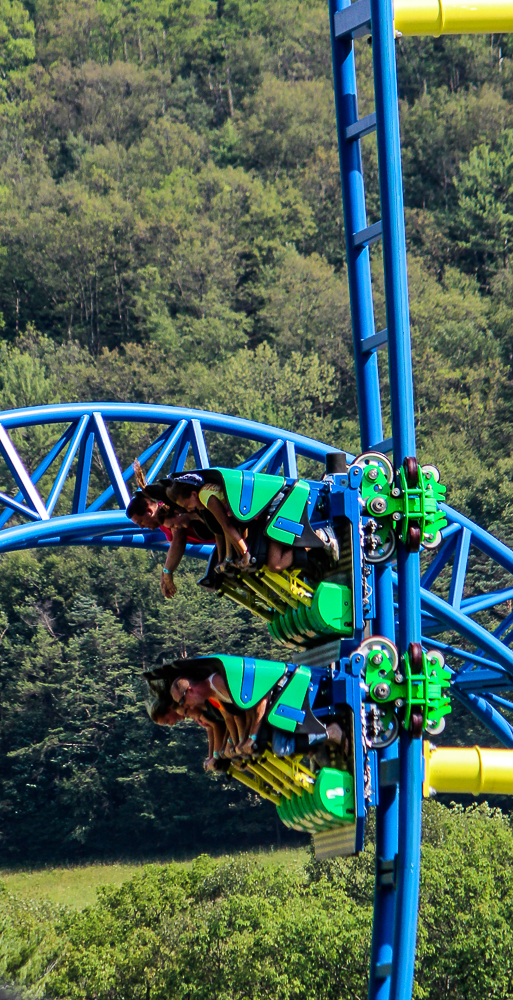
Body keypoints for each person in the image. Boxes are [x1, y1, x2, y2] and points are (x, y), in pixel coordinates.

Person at [126, 462, 214, 598]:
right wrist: (164, 574)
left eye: (140, 522)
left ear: (149, 511)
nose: (142, 527)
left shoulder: (168, 510)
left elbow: (179, 539)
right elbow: (174, 543)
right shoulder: (162, 522)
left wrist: (168, 572)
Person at [168, 474, 251, 571]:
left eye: (187, 505)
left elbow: (226, 525)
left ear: (194, 494)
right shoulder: (205, 491)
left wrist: (245, 553)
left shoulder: (205, 496)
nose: (188, 510)